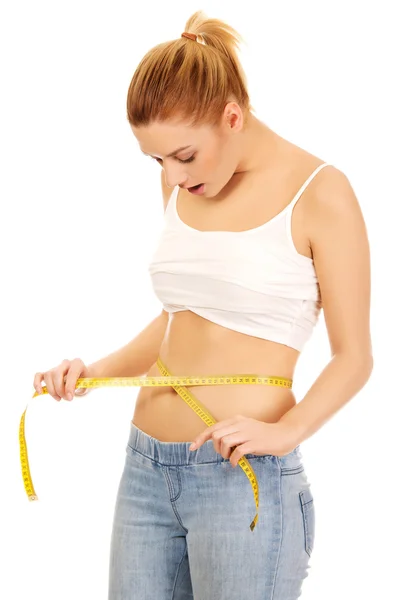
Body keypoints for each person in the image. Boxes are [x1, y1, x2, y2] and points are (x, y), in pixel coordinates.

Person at [33, 10, 373, 600]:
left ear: (232, 117)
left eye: (183, 156)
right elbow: (181, 317)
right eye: (156, 160)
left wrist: (287, 431)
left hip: (242, 478)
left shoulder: (320, 193)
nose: (170, 174)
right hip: (144, 466)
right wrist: (95, 372)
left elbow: (355, 357)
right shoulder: (181, 181)